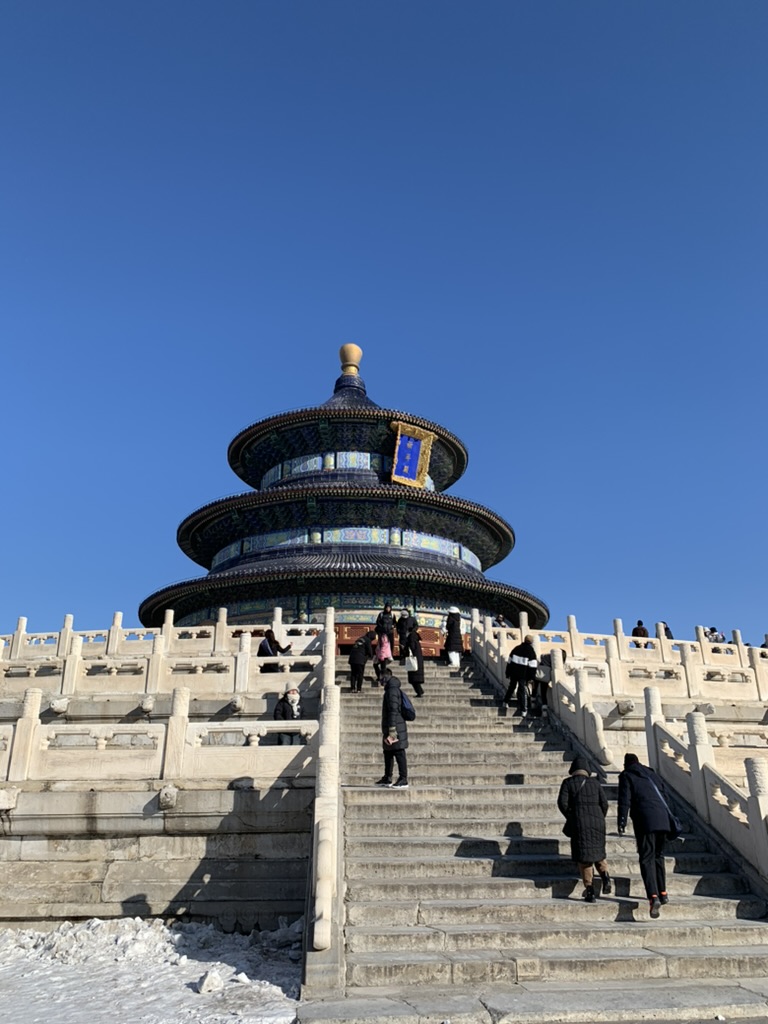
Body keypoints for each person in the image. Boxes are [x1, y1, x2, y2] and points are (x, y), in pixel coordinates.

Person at [617, 752, 673, 919]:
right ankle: (663, 892)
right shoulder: (652, 774)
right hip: (663, 820)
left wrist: (622, 821)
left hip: (646, 821)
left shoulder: (627, 775)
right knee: (658, 856)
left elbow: (624, 800)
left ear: (626, 765)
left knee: (646, 858)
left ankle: (653, 896)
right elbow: (666, 796)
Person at [557, 756, 611, 903]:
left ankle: (590, 891)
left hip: (579, 823)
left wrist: (572, 816)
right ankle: (606, 877)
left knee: (585, 858)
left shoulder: (568, 783)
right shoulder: (595, 783)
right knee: (598, 852)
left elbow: (562, 803)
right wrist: (599, 816)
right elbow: (604, 804)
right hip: (598, 822)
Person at [376, 669, 409, 788]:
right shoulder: (391, 690)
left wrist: (392, 728)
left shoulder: (392, 691)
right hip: (391, 725)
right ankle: (387, 777)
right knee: (388, 751)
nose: (379, 681)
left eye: (380, 678)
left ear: (385, 678)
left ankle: (403, 778)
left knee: (399, 751)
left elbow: (393, 710)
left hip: (395, 726)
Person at [503, 634, 538, 715]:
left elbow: (509, 662)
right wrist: (531, 677)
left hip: (514, 672)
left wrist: (507, 672)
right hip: (523, 674)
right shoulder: (531, 651)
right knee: (522, 690)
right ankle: (523, 709)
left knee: (512, 687)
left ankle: (505, 701)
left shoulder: (516, 648)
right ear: (531, 642)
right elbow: (533, 666)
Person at [405, 625, 425, 697]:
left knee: (414, 678)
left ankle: (419, 692)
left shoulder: (411, 638)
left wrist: (405, 647)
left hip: (414, 660)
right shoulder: (415, 638)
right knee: (415, 678)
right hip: (417, 659)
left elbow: (412, 647)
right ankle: (420, 691)